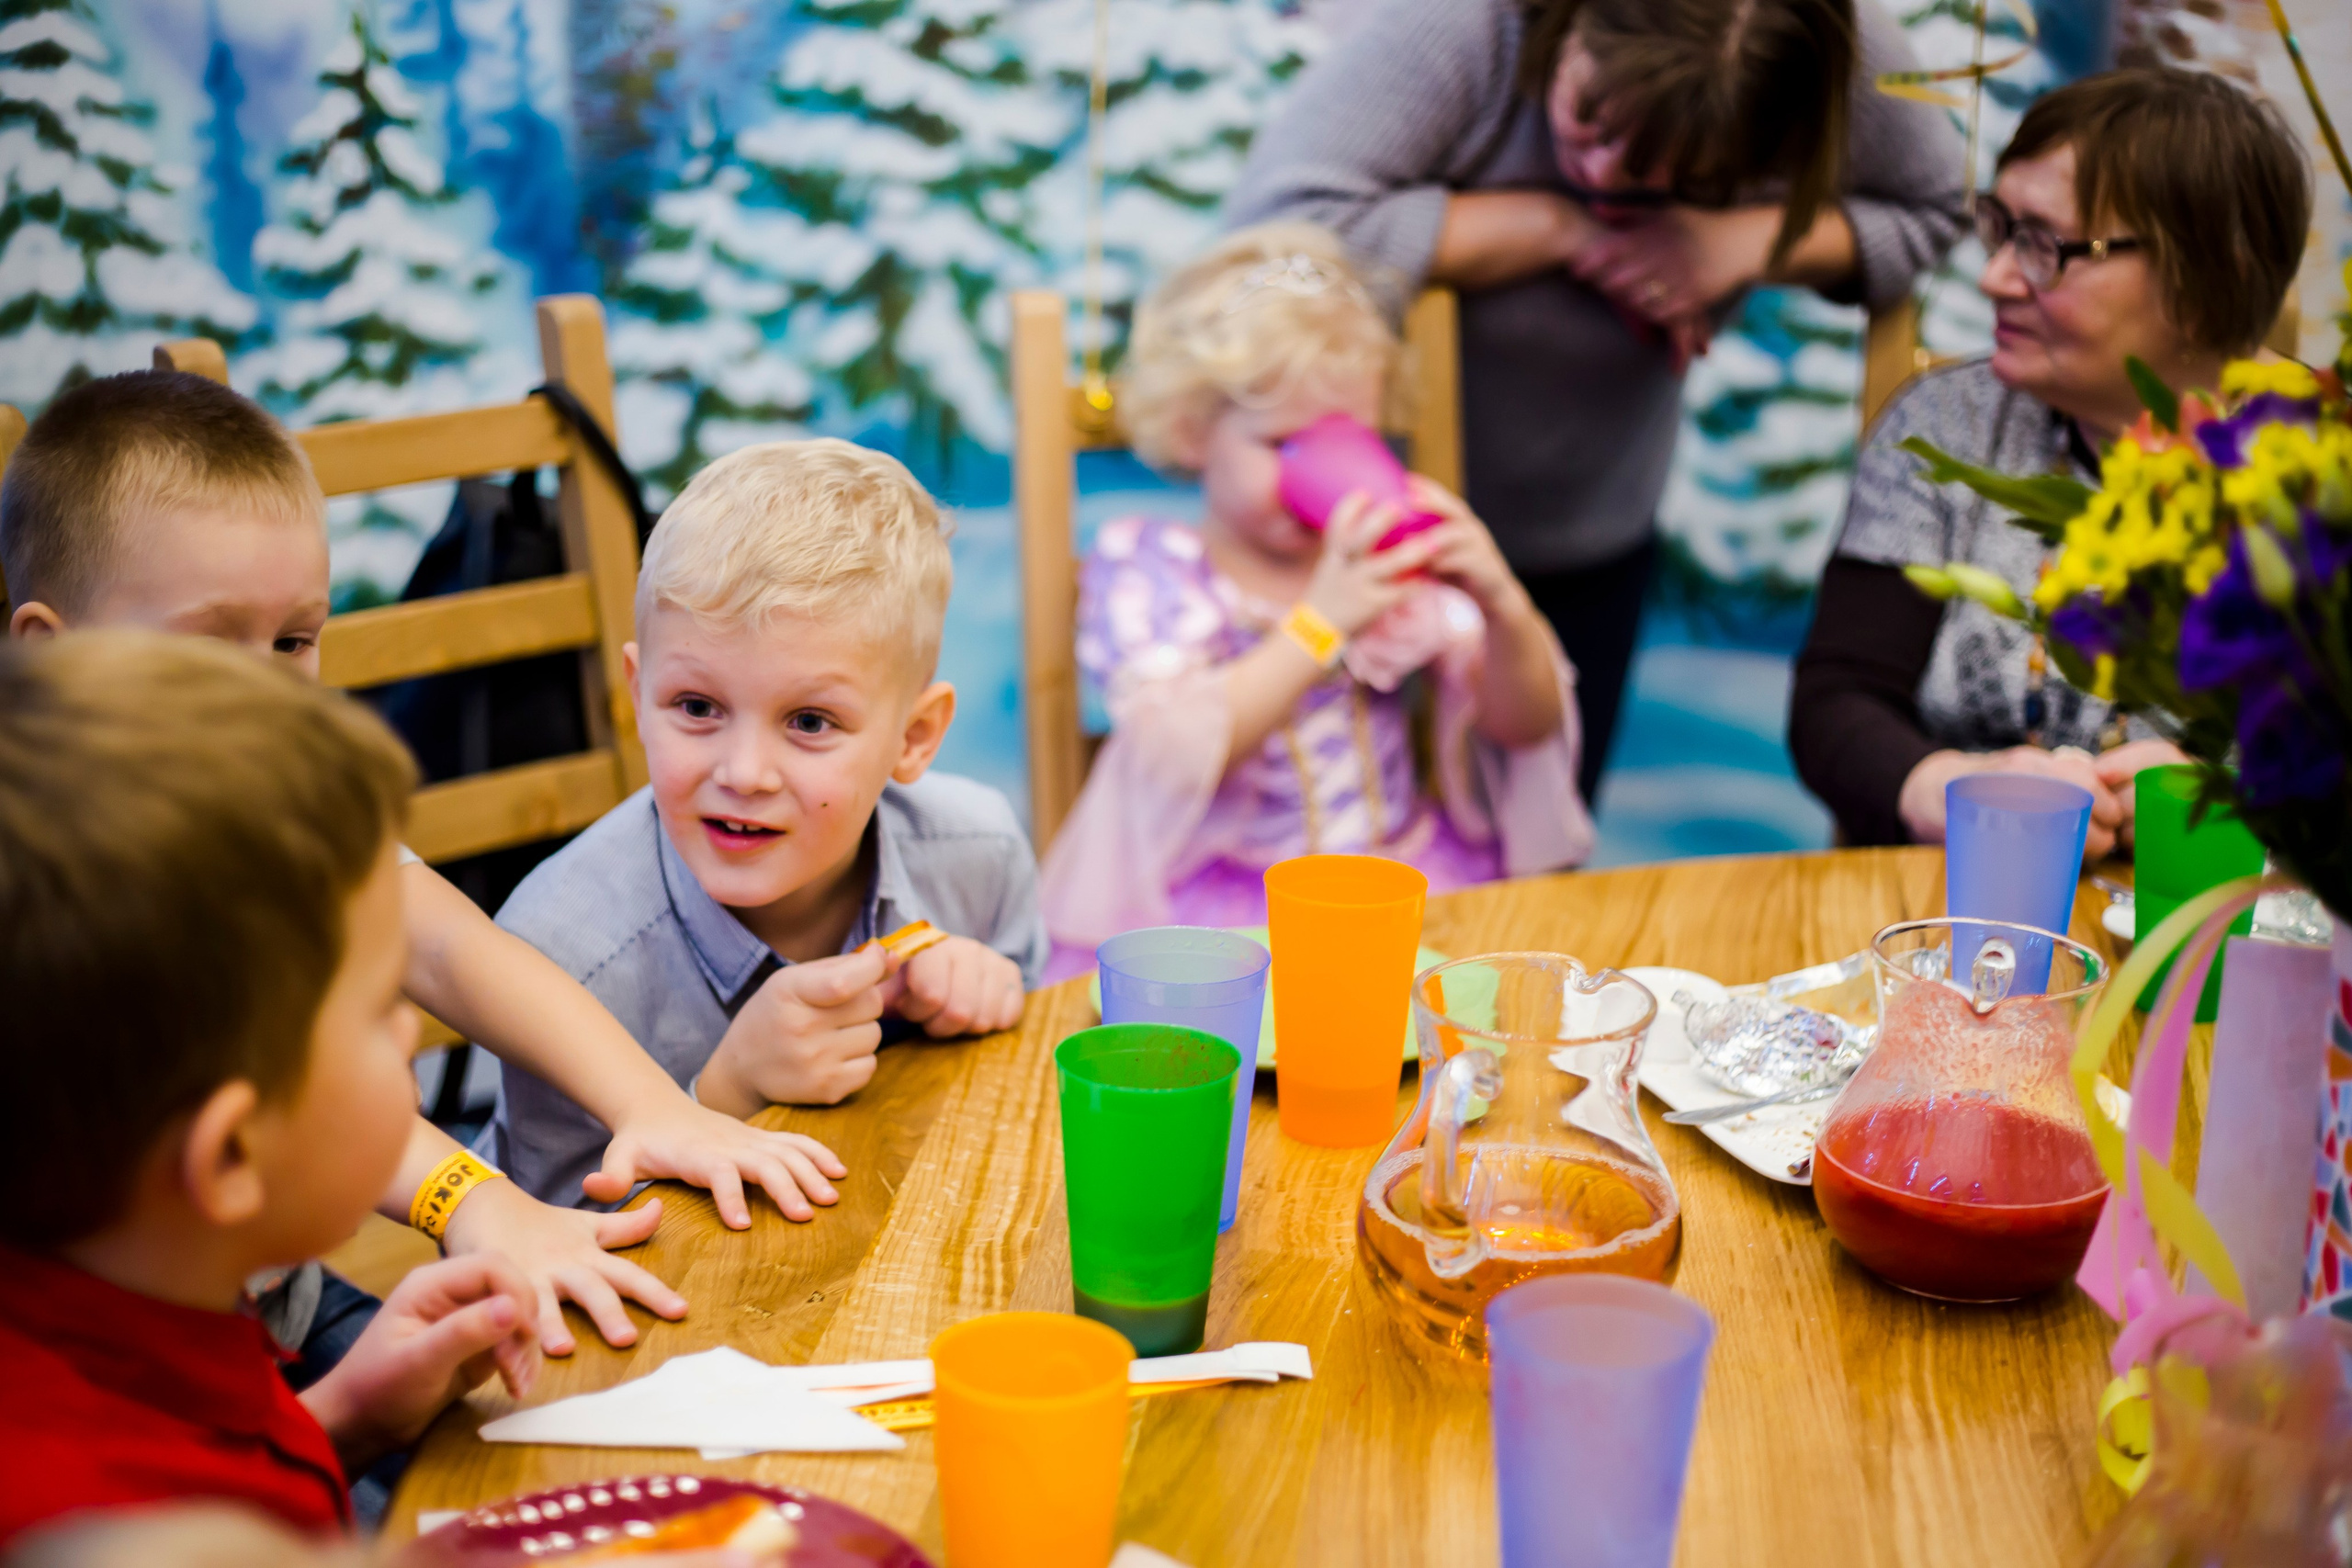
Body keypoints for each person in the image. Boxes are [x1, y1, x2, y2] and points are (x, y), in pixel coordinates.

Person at [0, 371, 850, 1362]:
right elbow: (297, 1101)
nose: (273, 692)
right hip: (107, 1376)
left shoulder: (281, 803)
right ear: (50, 656)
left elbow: (452, 948)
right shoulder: (59, 885)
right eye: (213, 644)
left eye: (293, 640)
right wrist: (476, 1202)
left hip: (289, 1306)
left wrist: (653, 1108)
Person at [1225, 0, 1966, 801]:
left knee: (1545, 817)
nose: (1605, 173)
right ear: (1564, 24)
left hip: (1595, 535)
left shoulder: (1823, 49)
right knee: (1364, 822)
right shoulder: (1463, 28)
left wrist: (1739, 242)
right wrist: (1561, 229)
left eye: (1670, 177)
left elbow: (1934, 207)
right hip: (1368, 534)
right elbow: (1274, 238)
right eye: (1587, 122)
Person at [0, 632, 543, 1549]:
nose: (412, 1032)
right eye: (380, 1009)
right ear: (232, 1155)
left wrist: (350, 1415)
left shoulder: (143, 1294)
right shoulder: (99, 1525)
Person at [488, 438, 1045, 1209]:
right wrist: (723, 1092)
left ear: (914, 738)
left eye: (810, 720)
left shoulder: (977, 855)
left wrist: (994, 995)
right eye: (696, 707)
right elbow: (546, 1247)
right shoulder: (561, 957)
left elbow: (1032, 1104)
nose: (744, 772)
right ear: (637, 693)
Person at [1038, 224, 1591, 969]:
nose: (1320, 472)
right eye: (1285, 445)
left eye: (1349, 440)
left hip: (1403, 884)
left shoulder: (1378, 556)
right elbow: (1171, 753)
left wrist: (1503, 607)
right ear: (1194, 433)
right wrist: (1322, 624)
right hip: (1229, 913)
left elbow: (1524, 725)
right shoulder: (1156, 567)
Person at [1789, 68, 2312, 856]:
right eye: (2002, 229)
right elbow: (1837, 702)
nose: (1995, 276)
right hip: (1959, 906)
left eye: (2044, 247)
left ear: (2205, 283)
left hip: (2226, 933)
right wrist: (1949, 787)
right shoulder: (1948, 427)